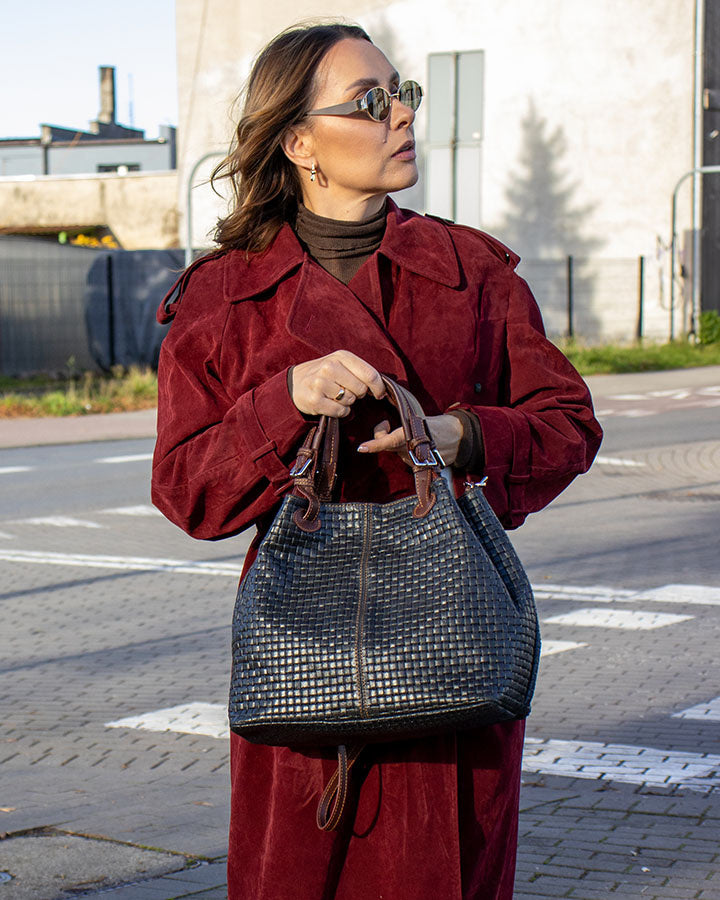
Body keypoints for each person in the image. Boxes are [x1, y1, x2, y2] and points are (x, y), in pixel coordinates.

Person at [151, 21, 602, 900]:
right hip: (303, 658)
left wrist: (457, 435)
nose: (400, 116)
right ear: (298, 141)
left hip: (453, 644)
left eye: (404, 95)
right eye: (369, 102)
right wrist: (281, 402)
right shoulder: (223, 295)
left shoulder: (472, 272)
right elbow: (185, 492)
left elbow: (567, 423)